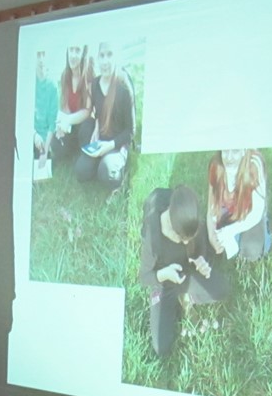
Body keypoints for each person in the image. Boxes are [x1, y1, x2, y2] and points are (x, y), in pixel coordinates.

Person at [139, 185, 230, 357]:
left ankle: (186, 298)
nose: (186, 243)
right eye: (181, 238)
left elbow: (198, 248)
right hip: (165, 282)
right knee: (161, 346)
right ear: (171, 226)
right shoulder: (153, 237)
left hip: (186, 274)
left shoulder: (190, 220)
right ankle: (182, 299)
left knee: (222, 288)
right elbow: (144, 277)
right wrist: (163, 274)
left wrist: (200, 261)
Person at [74, 41, 135, 190]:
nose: (105, 61)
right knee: (81, 172)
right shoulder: (95, 84)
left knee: (107, 173)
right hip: (101, 139)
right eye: (101, 56)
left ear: (116, 57)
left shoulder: (124, 85)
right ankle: (100, 162)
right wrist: (96, 127)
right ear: (97, 58)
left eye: (109, 55)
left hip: (118, 142)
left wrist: (110, 146)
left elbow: (131, 131)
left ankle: (113, 164)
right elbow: (97, 112)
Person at [206, 149, 270, 261]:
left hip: (249, 212)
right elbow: (211, 208)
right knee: (210, 245)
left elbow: (256, 213)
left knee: (252, 250)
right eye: (226, 151)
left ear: (244, 150)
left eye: (235, 151)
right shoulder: (216, 165)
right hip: (227, 210)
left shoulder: (254, 164)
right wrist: (211, 234)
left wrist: (230, 231)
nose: (229, 158)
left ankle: (264, 229)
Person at [49, 44, 93, 163]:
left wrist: (67, 120)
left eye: (77, 51)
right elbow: (66, 107)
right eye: (71, 50)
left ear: (83, 53)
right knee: (55, 143)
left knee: (86, 127)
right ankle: (73, 152)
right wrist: (61, 125)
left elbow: (88, 111)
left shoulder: (88, 75)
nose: (73, 55)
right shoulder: (65, 75)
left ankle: (84, 155)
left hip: (86, 125)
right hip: (72, 125)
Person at [33, 50, 58, 178]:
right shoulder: (29, 83)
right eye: (38, 55)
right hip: (31, 135)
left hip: (46, 138)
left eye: (44, 55)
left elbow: (52, 123)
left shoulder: (52, 86)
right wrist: (34, 135)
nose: (41, 59)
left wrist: (45, 151)